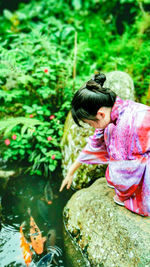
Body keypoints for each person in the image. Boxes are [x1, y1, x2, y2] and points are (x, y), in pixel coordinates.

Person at [59, 73, 150, 217]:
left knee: (119, 181)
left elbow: (126, 169)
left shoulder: (125, 126)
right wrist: (72, 170)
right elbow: (95, 143)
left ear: (100, 114)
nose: (92, 127)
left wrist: (121, 194)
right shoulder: (118, 109)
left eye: (90, 123)